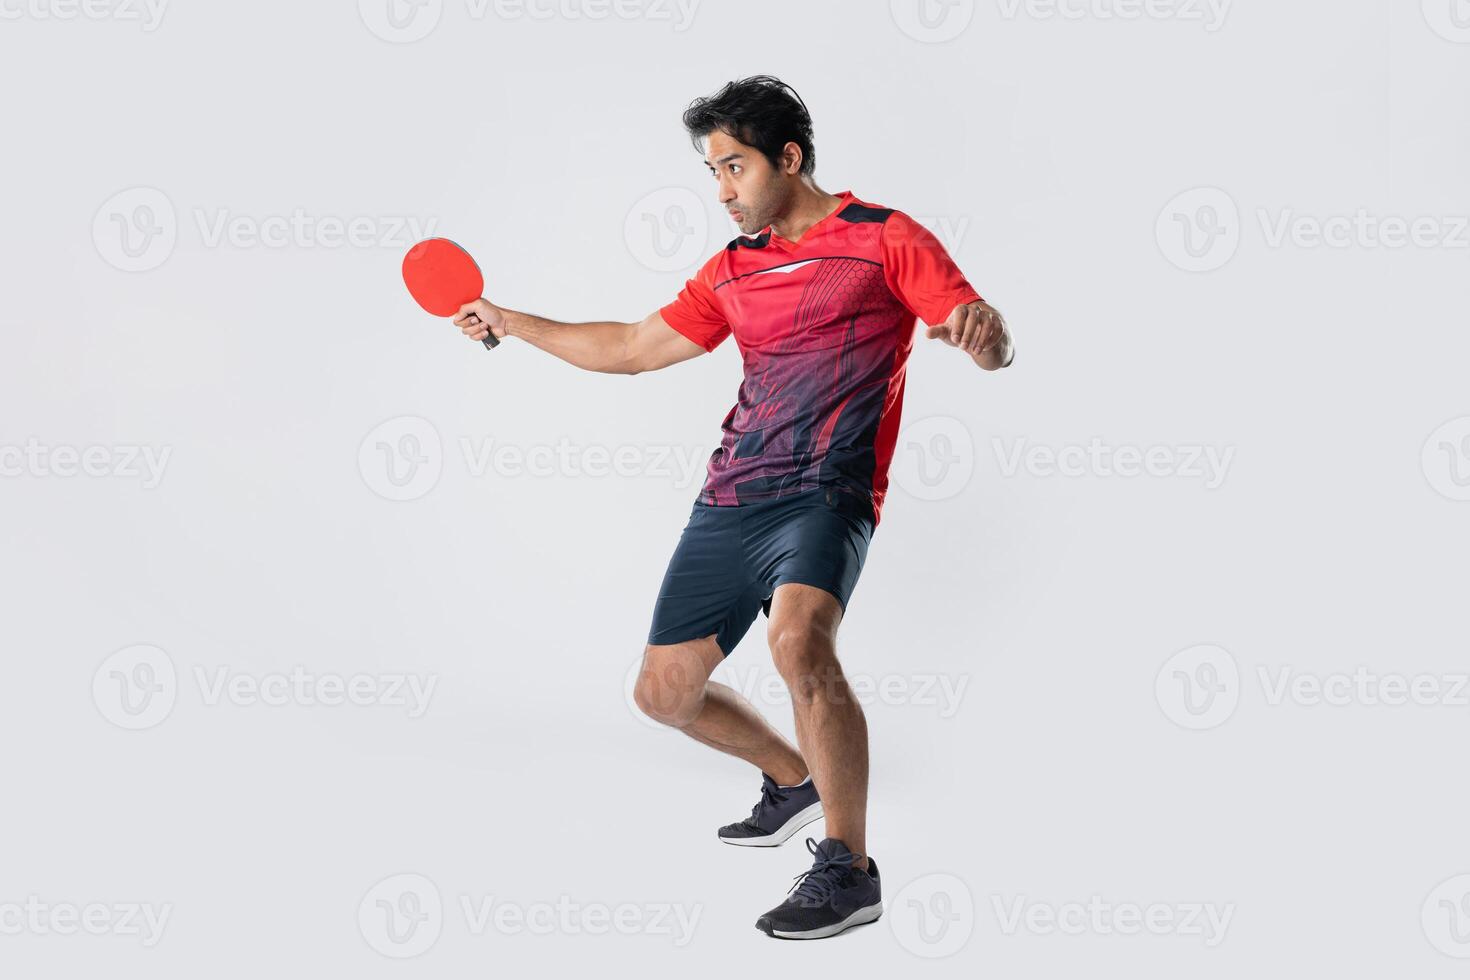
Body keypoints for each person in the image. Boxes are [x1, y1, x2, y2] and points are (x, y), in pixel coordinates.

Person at [453, 74, 1013, 941]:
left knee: (799, 641)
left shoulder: (885, 239)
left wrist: (985, 334)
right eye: (712, 171)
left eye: (733, 167)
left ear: (787, 160)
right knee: (663, 695)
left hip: (827, 492)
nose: (721, 190)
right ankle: (794, 779)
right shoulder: (733, 269)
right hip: (732, 496)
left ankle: (849, 871)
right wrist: (512, 322)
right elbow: (636, 349)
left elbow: (979, 327)